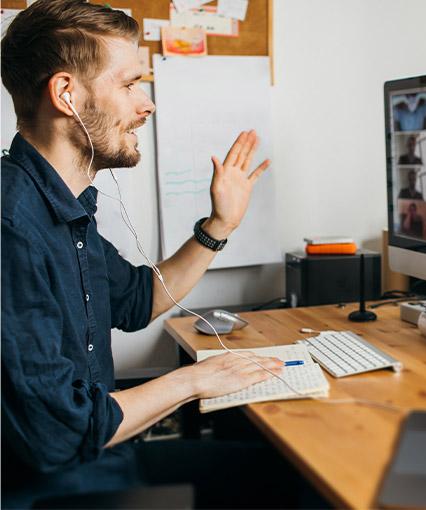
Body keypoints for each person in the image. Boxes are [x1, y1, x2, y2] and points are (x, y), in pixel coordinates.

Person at [0, 1, 297, 507]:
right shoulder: (11, 226)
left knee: (282, 471)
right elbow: (57, 437)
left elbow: (138, 299)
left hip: (99, 461)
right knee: (300, 489)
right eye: (130, 84)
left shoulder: (62, 207)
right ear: (66, 94)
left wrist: (218, 225)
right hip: (52, 490)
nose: (147, 105)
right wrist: (193, 379)